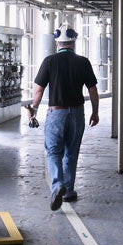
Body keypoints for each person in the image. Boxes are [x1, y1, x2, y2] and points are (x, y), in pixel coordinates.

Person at [25, 24, 99, 210]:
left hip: (56, 113)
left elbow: (39, 90)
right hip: (77, 113)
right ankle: (68, 192)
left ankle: (57, 185)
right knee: (71, 153)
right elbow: (93, 90)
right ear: (74, 41)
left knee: (54, 152)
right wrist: (95, 112)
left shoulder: (49, 61)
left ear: (57, 42)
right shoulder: (83, 62)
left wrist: (33, 110)